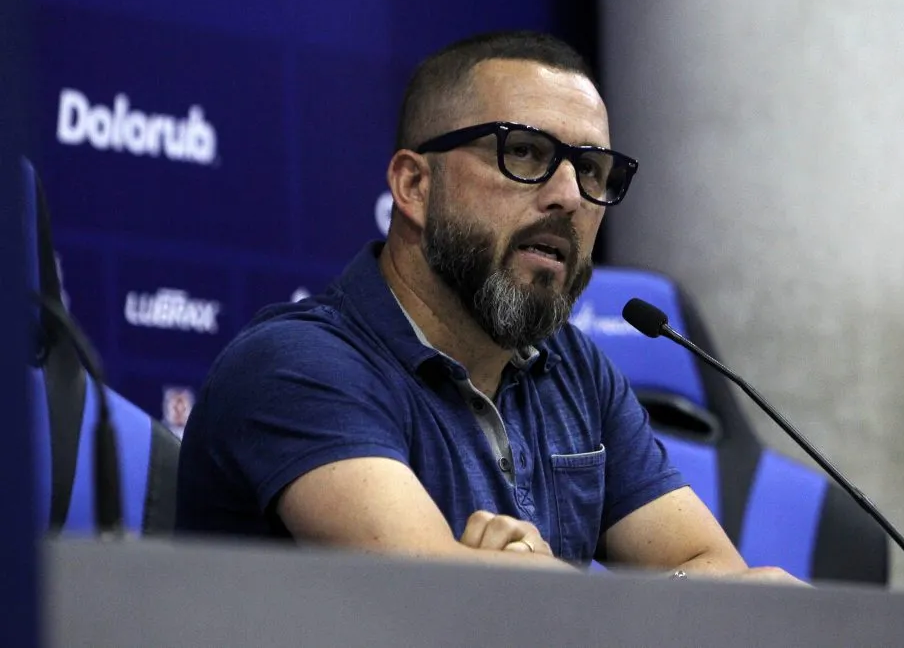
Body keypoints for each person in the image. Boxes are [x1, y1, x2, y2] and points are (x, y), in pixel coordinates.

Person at [176, 30, 801, 584]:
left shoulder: (576, 372)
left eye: (591, 168)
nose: (568, 197)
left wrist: (558, 589)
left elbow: (710, 569)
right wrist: (568, 594)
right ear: (415, 186)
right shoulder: (297, 365)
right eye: (524, 153)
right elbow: (433, 607)